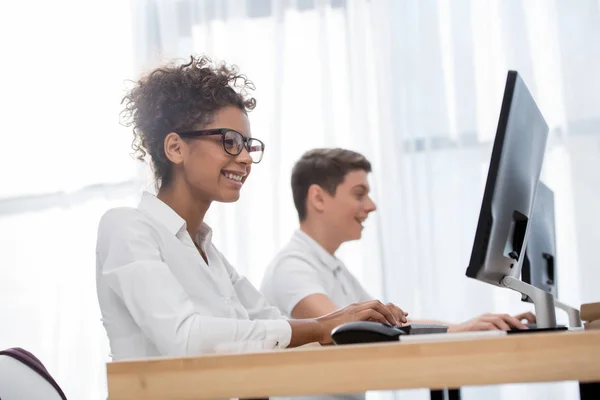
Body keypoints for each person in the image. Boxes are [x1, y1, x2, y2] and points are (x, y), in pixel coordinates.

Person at [95, 56, 410, 363]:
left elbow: (274, 328)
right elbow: (185, 337)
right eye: (230, 142)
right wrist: (321, 325)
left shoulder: (208, 252)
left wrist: (352, 322)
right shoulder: (126, 227)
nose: (245, 157)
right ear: (176, 148)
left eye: (248, 145)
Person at [260, 148, 537, 334]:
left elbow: (388, 324)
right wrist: (458, 329)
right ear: (318, 198)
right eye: (359, 194)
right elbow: (346, 329)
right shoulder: (291, 268)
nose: (370, 206)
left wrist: (464, 327)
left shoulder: (332, 268)